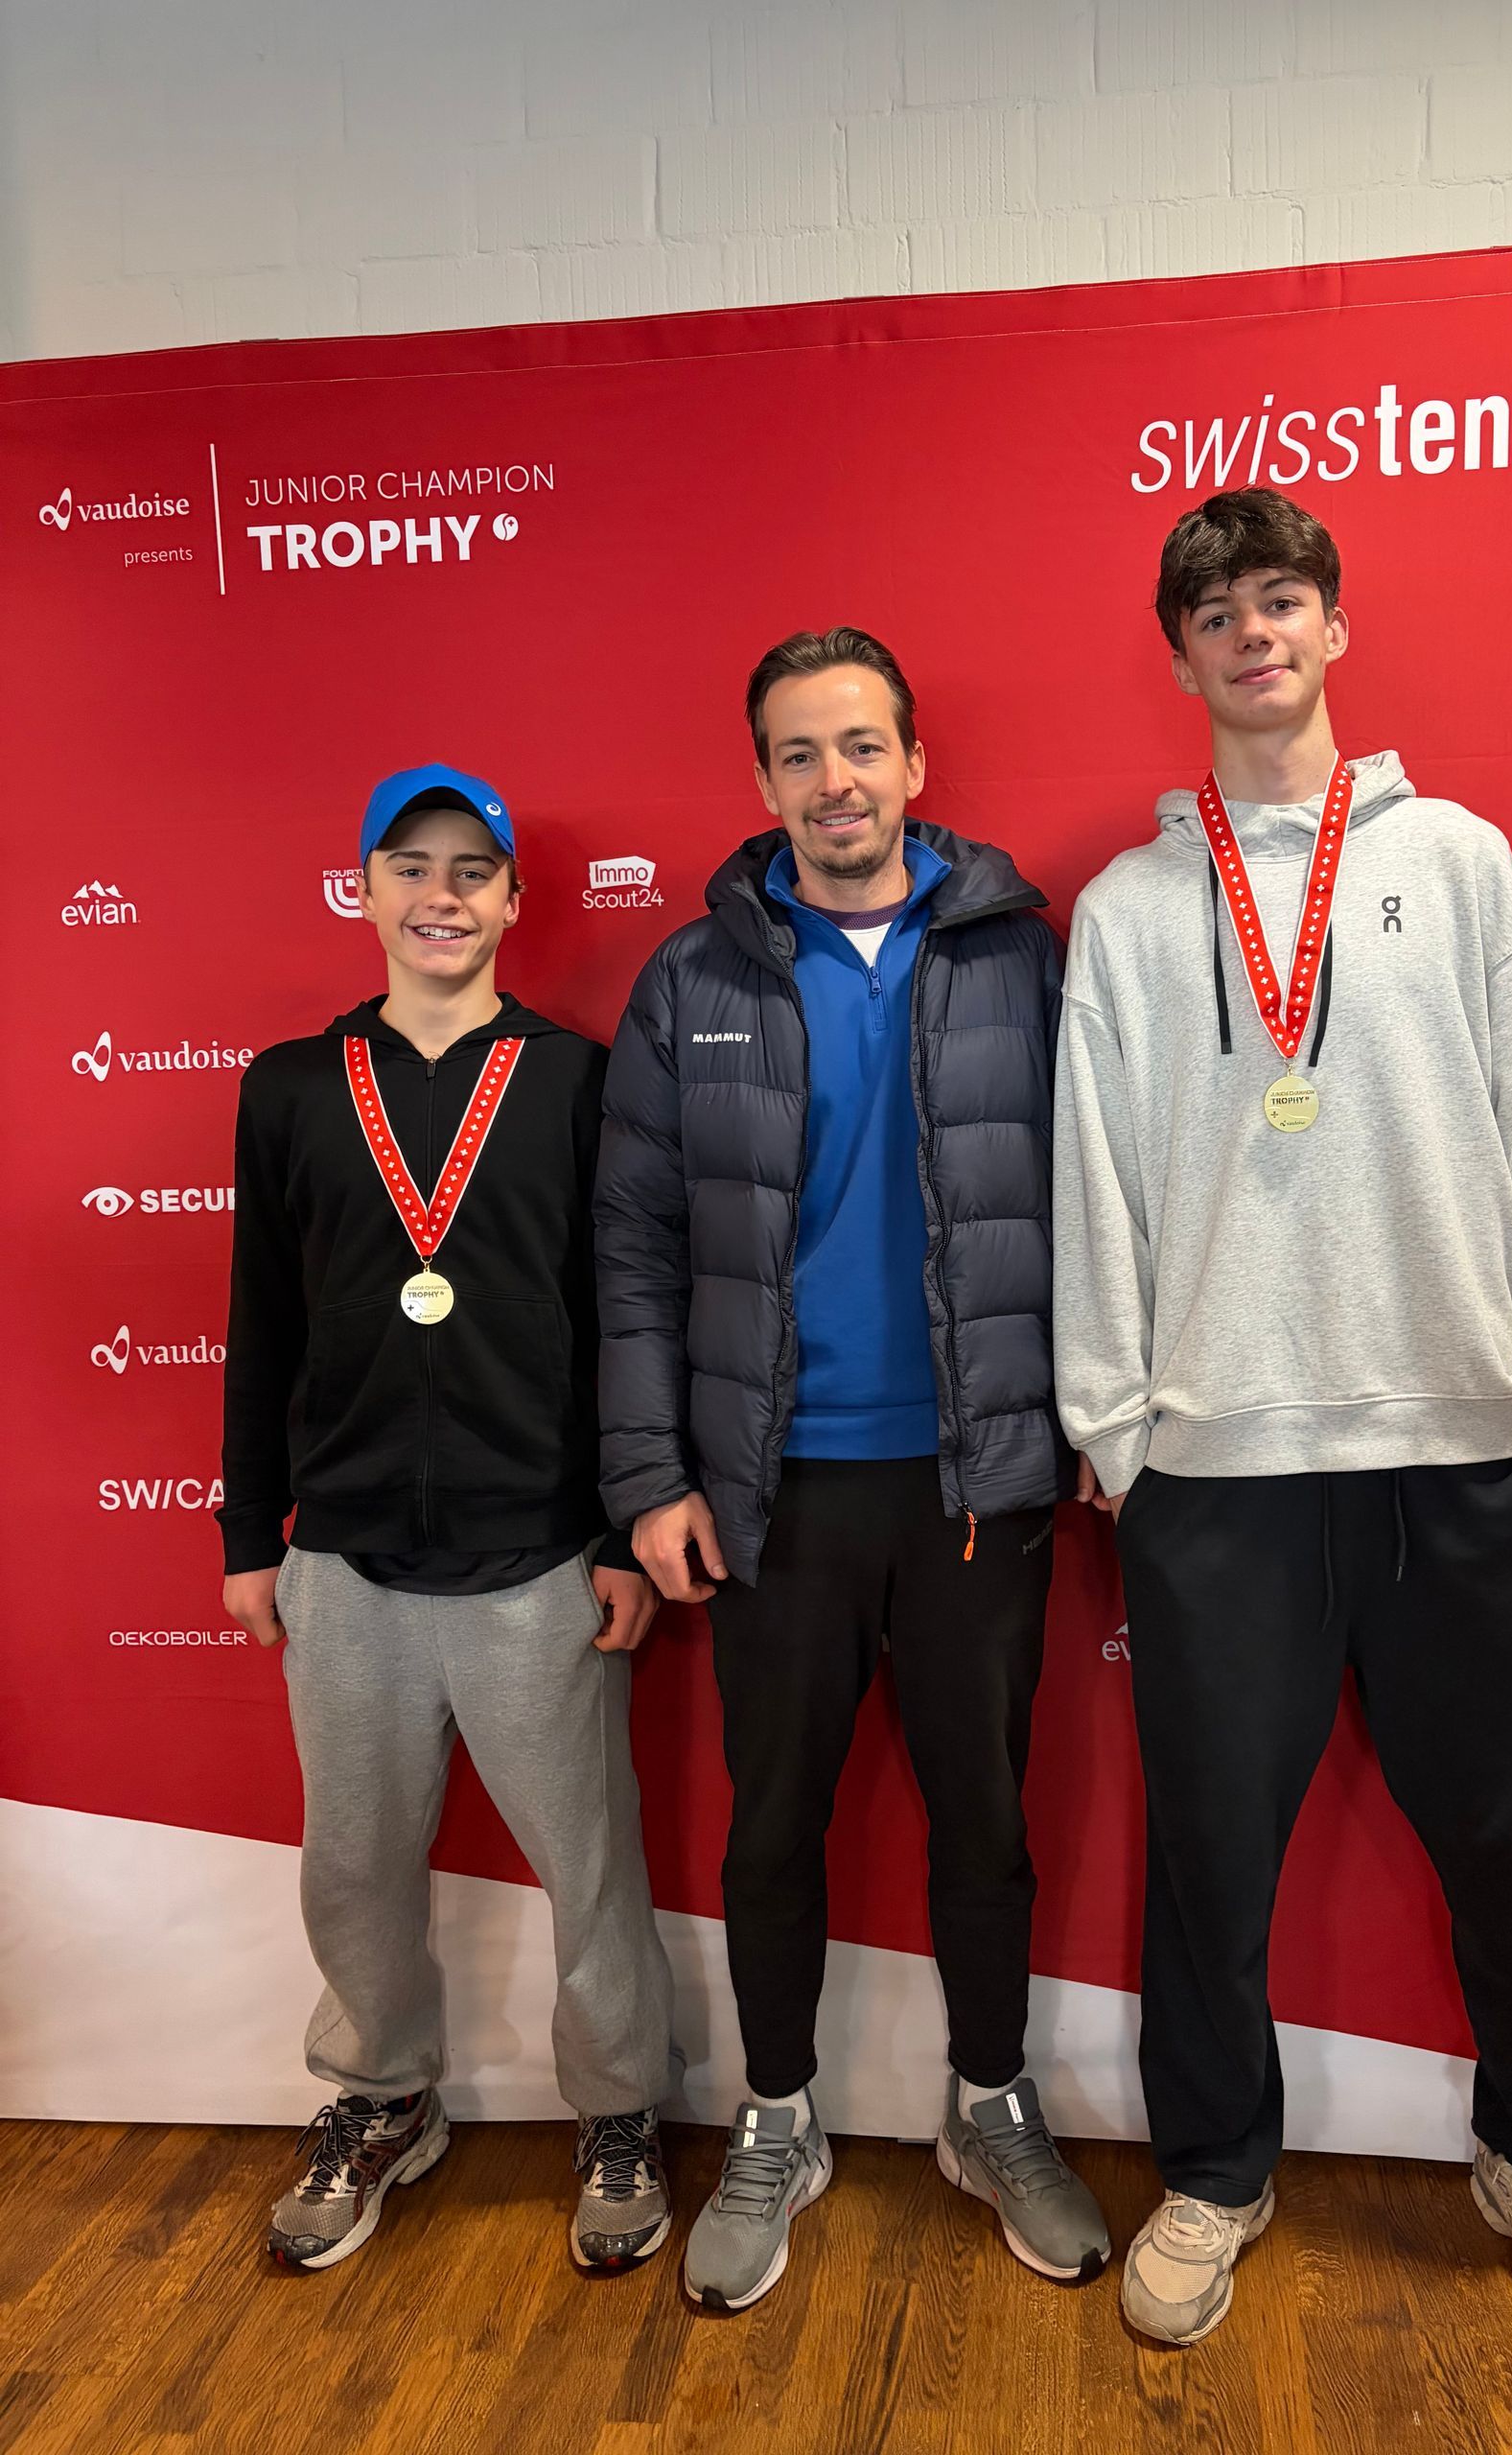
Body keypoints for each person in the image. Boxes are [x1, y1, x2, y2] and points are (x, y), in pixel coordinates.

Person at [1054, 490, 1512, 2353]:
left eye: (1281, 598)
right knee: (1211, 1864)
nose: (1253, 631)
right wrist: (1118, 1431)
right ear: (1181, 656)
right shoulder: (1130, 911)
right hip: (1223, 1470)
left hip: (1465, 1447)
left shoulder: (1457, 862)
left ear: (1333, 627)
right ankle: (1215, 2172)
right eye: (1216, 610)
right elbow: (1093, 1178)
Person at [595, 627, 1108, 2312]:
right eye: (801, 754)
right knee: (772, 1833)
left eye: (863, 746)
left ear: (914, 764)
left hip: (980, 1484)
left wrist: (1104, 1420)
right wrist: (649, 1478)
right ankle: (778, 2119)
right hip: (772, 1492)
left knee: (985, 1824)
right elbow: (635, 1249)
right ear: (763, 782)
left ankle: (990, 2104)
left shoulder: (1024, 957)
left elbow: (1112, 1201)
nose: (836, 782)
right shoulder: (695, 979)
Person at [219, 761, 673, 2274]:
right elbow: (261, 1323)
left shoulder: (577, 1080)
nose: (441, 895)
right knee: (352, 1865)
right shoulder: (291, 1086)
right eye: (410, 867)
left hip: (537, 1555)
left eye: (472, 870)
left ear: (514, 900)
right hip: (343, 1556)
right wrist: (248, 1533)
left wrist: (616, 1528)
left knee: (589, 1867)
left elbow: (621, 1320)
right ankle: (382, 2095)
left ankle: (618, 2109)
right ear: (363, 891)